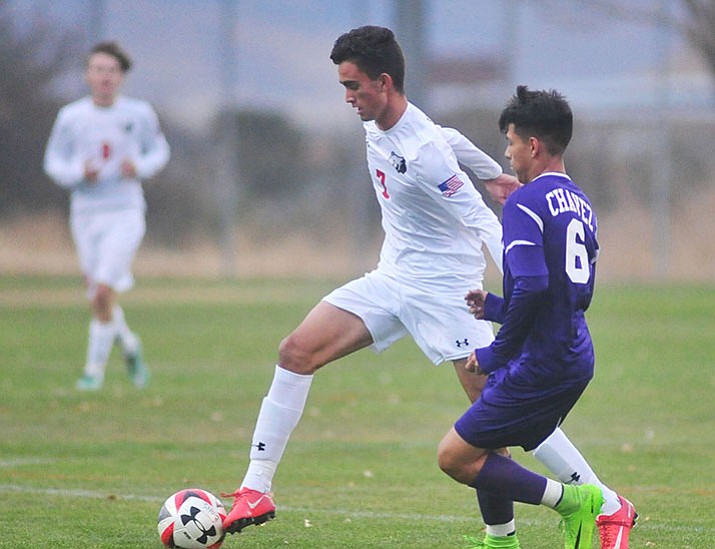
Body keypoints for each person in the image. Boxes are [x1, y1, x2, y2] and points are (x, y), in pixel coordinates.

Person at [221, 27, 632, 547]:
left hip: (447, 292)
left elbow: (481, 219)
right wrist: (492, 170)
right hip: (392, 279)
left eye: (354, 86)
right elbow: (447, 134)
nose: (347, 97)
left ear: (384, 82)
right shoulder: (390, 125)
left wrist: (523, 279)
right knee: (296, 351)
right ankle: (256, 489)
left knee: (499, 417)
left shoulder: (425, 154)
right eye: (343, 86)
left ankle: (603, 502)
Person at [437, 86, 637, 549]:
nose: (506, 154)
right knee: (488, 445)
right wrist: (494, 307)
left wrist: (494, 352)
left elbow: (532, 286)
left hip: (539, 363)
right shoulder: (581, 204)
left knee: (454, 457)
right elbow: (567, 295)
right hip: (574, 354)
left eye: (509, 142)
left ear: (532, 145)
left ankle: (588, 503)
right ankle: (502, 541)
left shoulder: (525, 203)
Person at [44, 41, 170, 391]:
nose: (105, 77)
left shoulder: (138, 113)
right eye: (99, 70)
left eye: (112, 71)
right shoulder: (71, 117)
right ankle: (129, 346)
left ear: (122, 78)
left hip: (125, 211)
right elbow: (53, 162)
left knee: (102, 293)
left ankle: (93, 373)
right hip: (85, 214)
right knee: (98, 297)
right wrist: (77, 172)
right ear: (88, 75)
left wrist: (140, 166)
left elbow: (159, 150)